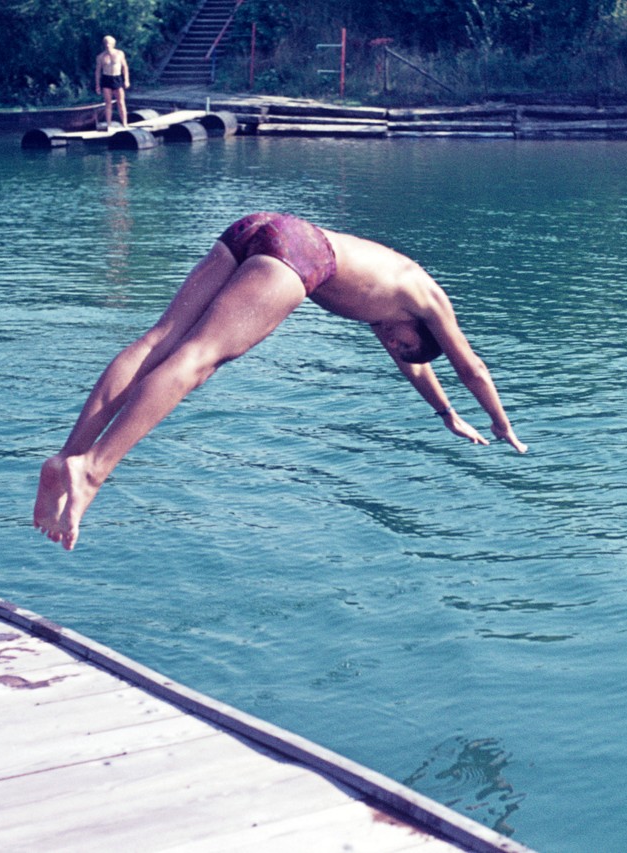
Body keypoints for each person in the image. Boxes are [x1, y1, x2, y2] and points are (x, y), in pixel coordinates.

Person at [34, 212, 528, 550]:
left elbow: (415, 366)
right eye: (402, 344)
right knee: (199, 359)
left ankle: (67, 457)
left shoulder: (392, 299)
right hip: (300, 251)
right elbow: (471, 367)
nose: (391, 345)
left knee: (158, 341)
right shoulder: (431, 298)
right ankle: (93, 470)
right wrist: (501, 423)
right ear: (421, 331)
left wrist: (446, 414)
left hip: (259, 227)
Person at [95, 35, 130, 129]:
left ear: (113, 44)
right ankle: (109, 124)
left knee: (121, 102)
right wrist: (97, 85)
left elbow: (125, 67)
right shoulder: (101, 56)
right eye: (106, 43)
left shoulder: (119, 53)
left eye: (109, 43)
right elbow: (98, 71)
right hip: (106, 79)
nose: (107, 45)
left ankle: (125, 123)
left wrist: (126, 80)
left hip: (117, 78)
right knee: (108, 103)